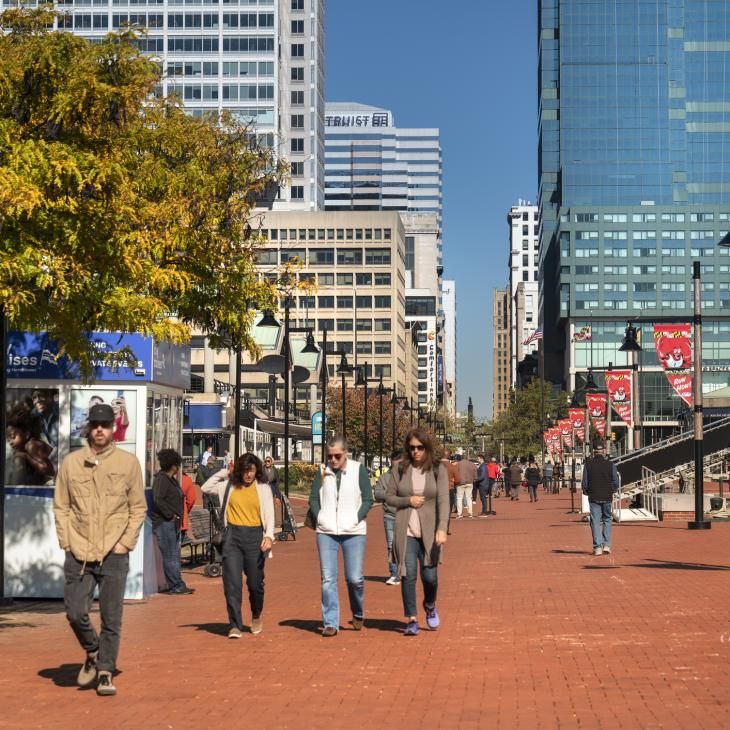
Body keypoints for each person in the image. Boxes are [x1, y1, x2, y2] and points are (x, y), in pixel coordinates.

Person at [53, 403, 146, 697]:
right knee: (75, 612)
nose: (99, 430)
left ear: (113, 428)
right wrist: (66, 540)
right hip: (79, 550)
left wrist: (126, 542)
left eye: (105, 425)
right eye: (95, 425)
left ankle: (105, 671)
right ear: (88, 428)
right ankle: (92, 650)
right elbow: (61, 506)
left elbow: (138, 508)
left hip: (114, 552)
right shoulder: (71, 463)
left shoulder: (128, 464)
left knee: (111, 617)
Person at [202, 453, 275, 638]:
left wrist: (269, 536)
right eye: (244, 470)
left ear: (257, 470)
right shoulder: (229, 485)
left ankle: (256, 614)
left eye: (251, 470)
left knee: (255, 583)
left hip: (254, 537)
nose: (248, 474)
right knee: (232, 583)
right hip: (232, 537)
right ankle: (234, 624)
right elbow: (205, 487)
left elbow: (270, 513)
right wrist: (225, 471)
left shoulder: (263, 488)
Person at [385, 428, 449, 636]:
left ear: (427, 448)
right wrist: (408, 501)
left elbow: (443, 501)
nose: (416, 452)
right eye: (412, 448)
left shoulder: (438, 469)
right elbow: (389, 497)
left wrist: (442, 528)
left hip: (430, 532)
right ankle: (411, 618)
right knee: (408, 574)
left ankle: (430, 605)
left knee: (430, 577)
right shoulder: (400, 469)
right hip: (406, 531)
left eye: (420, 447)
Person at [308, 436, 373, 637]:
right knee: (328, 579)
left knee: (354, 578)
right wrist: (320, 517)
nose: (333, 460)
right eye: (330, 456)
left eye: (337, 456)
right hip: (327, 531)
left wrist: (356, 517)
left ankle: (358, 612)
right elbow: (312, 498)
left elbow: (368, 498)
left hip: (353, 531)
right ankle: (331, 622)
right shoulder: (323, 471)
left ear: (346, 453)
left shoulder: (358, 469)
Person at [152, 449, 193, 595]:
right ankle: (175, 585)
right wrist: (170, 515)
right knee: (170, 556)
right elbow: (158, 499)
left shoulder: (171, 480)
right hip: (165, 523)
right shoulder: (162, 479)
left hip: (172, 523)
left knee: (174, 555)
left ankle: (178, 582)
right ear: (174, 466)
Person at [581, 443, 620, 556]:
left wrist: (587, 492)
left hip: (594, 496)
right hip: (607, 496)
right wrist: (612, 490)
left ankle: (598, 547)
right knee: (607, 519)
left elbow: (585, 483)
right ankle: (607, 545)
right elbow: (615, 481)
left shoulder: (588, 465)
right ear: (603, 451)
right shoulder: (610, 464)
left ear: (593, 451)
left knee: (595, 521)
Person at [6, 406, 56, 485]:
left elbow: (46, 469)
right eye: (8, 439)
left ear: (27, 434)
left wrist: (26, 456)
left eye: (13, 437)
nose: (10, 442)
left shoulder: (31, 445)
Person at [373, 450, 402, 585]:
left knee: (407, 546)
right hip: (390, 515)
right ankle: (394, 573)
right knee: (391, 546)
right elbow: (377, 494)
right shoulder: (384, 477)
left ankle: (407, 572)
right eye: (395, 461)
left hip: (406, 516)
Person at [454, 454, 477, 519]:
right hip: (470, 483)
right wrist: (474, 479)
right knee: (469, 498)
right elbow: (475, 474)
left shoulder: (458, 464)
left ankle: (459, 514)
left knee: (459, 498)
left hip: (460, 483)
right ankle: (470, 514)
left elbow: (455, 473)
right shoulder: (472, 464)